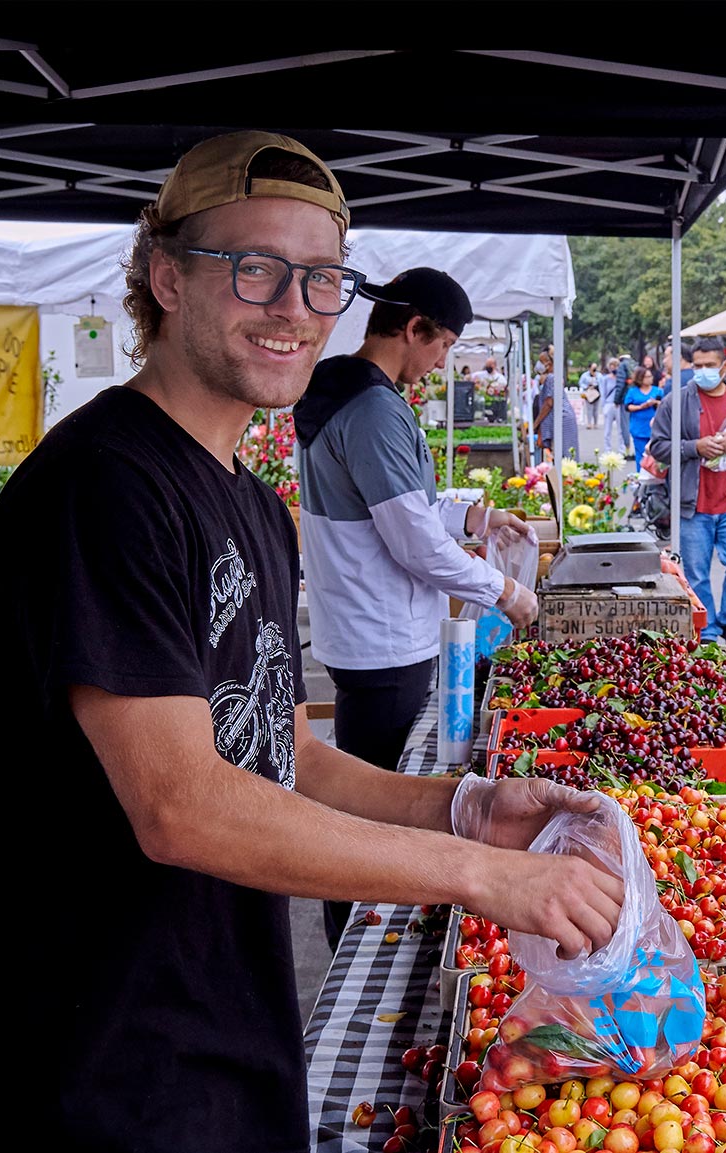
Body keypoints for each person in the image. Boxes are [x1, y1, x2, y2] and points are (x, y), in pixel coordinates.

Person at [0, 131, 625, 1153]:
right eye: (256, 268)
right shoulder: (102, 487)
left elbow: (277, 753)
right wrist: (482, 876)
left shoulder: (253, 505)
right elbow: (181, 805)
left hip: (216, 1043)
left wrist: (466, 806)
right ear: (166, 275)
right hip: (87, 1075)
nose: (295, 307)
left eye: (322, 278)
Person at [294, 266, 542, 949]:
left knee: (368, 792)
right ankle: (359, 936)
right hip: (383, 636)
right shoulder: (372, 409)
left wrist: (478, 515)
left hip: (365, 629)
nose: (440, 363)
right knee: (372, 803)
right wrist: (506, 591)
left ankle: (359, 923)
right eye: (442, 346)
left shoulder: (341, 388)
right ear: (413, 328)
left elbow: (403, 510)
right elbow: (411, 541)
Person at [647, 336, 726, 646]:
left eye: (710, 366)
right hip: (693, 506)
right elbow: (658, 447)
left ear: (725, 366)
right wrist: (694, 447)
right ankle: (710, 629)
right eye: (697, 366)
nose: (702, 372)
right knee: (697, 573)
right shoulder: (676, 402)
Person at [533, 352, 579, 459]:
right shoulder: (553, 377)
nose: (538, 364)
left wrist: (536, 424)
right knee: (563, 453)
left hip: (562, 419)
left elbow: (549, 403)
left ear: (548, 364)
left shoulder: (551, 378)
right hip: (561, 417)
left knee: (566, 454)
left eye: (541, 361)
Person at [623, 364, 663, 469]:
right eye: (647, 377)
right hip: (638, 426)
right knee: (640, 455)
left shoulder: (658, 391)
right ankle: (640, 476)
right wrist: (641, 406)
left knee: (655, 454)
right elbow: (627, 406)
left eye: (651, 376)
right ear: (640, 378)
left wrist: (655, 403)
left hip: (654, 426)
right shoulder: (633, 391)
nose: (650, 379)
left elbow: (664, 405)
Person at [601, 356, 627, 452]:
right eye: (611, 365)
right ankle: (607, 449)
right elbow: (603, 393)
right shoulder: (605, 379)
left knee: (621, 429)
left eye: (615, 365)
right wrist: (603, 406)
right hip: (609, 403)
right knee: (607, 430)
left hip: (619, 404)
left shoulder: (621, 378)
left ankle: (622, 449)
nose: (613, 367)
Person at [579, 361, 604, 428]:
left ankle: (595, 423)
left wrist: (595, 378)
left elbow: (602, 383)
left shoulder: (599, 375)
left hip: (597, 393)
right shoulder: (585, 375)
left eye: (595, 368)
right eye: (593, 368)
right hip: (588, 393)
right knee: (589, 409)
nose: (594, 369)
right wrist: (586, 386)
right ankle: (589, 423)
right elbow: (581, 383)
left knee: (596, 409)